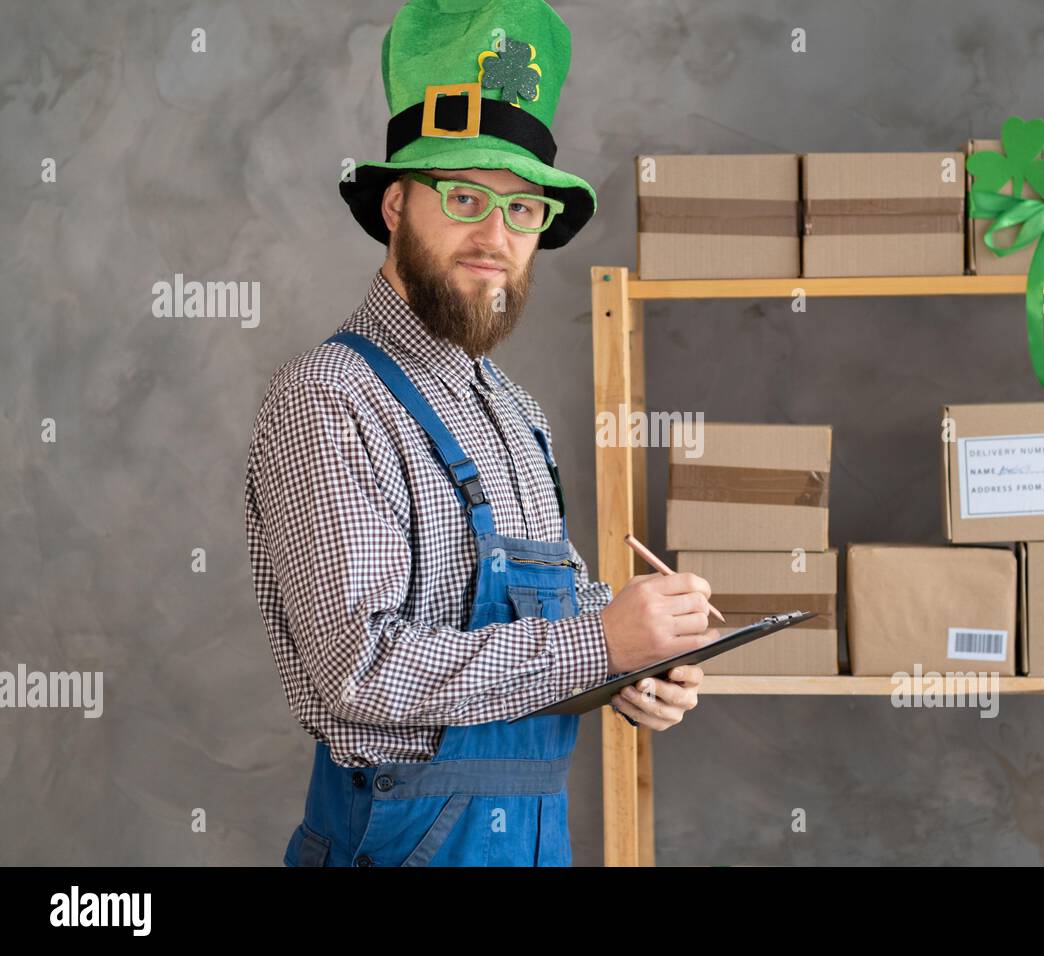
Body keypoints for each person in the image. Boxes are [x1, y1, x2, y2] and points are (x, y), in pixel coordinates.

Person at [242, 0, 717, 867]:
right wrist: (599, 641)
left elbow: (565, 625)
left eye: (523, 211)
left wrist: (628, 672)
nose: (495, 238)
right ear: (395, 203)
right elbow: (360, 668)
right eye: (464, 197)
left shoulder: (516, 410)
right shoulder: (330, 398)